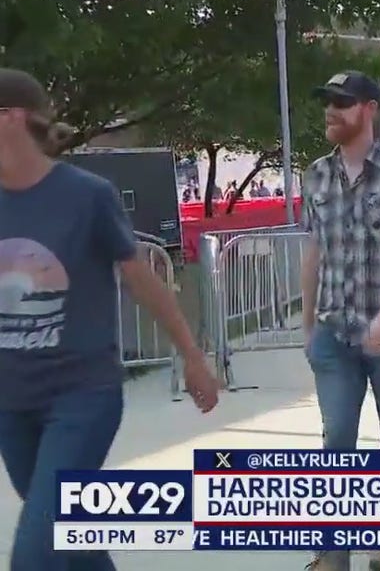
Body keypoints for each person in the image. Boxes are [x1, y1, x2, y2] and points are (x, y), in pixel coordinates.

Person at [0, 68, 219, 571]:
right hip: (11, 405)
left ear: (12, 118)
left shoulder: (86, 195)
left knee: (35, 556)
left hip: (81, 397)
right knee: (70, 537)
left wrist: (191, 356)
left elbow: (142, 280)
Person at [300, 70, 380, 571]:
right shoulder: (315, 174)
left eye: (343, 101)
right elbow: (313, 250)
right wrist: (307, 326)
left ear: (369, 109)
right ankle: (333, 553)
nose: (331, 110)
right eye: (327, 101)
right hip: (333, 333)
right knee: (336, 440)